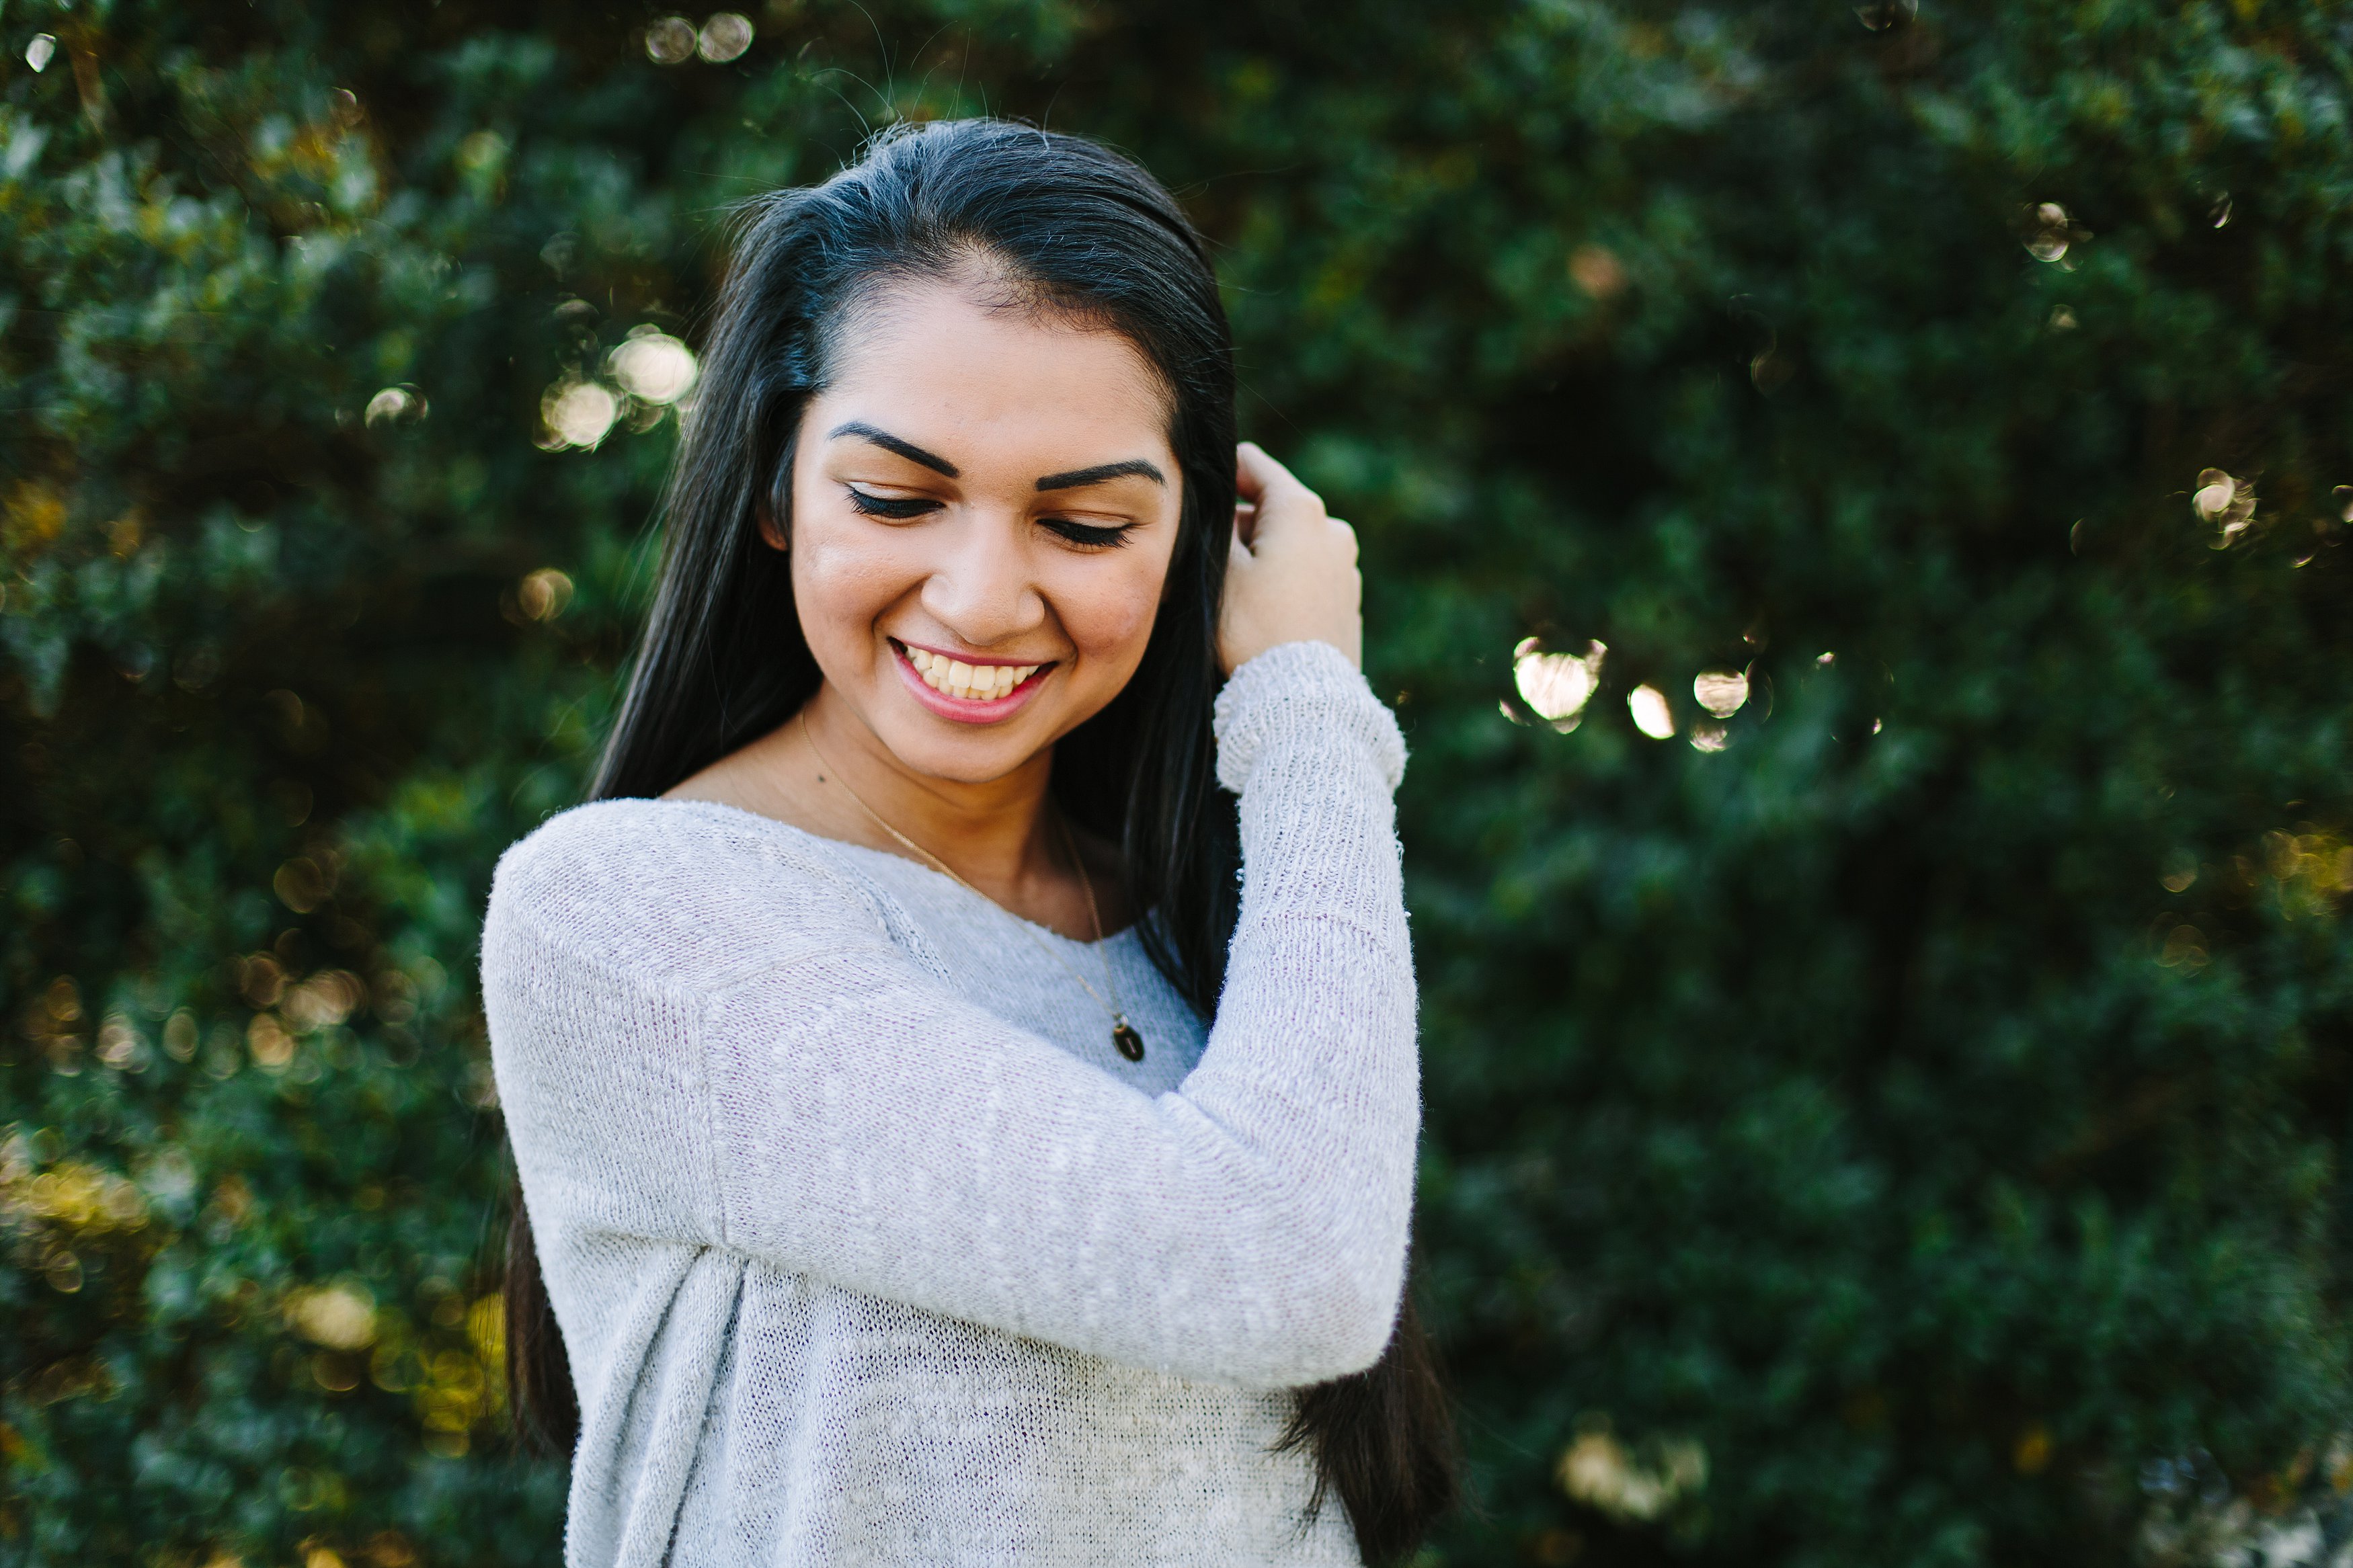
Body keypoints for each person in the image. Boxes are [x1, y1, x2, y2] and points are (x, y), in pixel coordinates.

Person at [481, 118, 1455, 1567]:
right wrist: (1311, 710)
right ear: (771, 487)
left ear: (1195, 536)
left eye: (1083, 522)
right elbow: (1285, 1267)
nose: (985, 598)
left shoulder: (1198, 925)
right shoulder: (631, 915)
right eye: (896, 497)